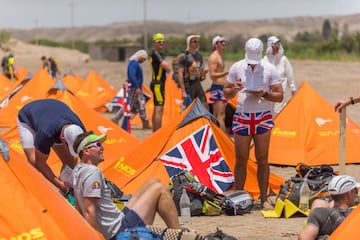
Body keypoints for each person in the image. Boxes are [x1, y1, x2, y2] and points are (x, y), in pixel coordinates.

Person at [72, 131, 181, 240]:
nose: (102, 148)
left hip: (118, 221)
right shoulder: (92, 172)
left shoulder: (77, 170)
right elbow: (89, 210)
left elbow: (78, 207)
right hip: (119, 231)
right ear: (86, 150)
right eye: (98, 145)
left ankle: (177, 232)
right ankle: (178, 233)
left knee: (153, 182)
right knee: (160, 189)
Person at [223, 37, 283, 210]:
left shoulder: (270, 69)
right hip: (242, 115)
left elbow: (279, 95)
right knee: (240, 159)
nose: (253, 63)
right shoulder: (236, 67)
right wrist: (233, 89)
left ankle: (264, 199)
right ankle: (239, 198)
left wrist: (264, 94)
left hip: (262, 115)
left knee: (262, 159)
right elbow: (225, 93)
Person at [17, 99, 85, 193]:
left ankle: (64, 194)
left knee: (71, 161)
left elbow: (87, 156)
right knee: (34, 163)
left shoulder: (80, 129)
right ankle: (36, 194)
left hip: (50, 112)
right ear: (62, 138)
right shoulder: (46, 133)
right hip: (27, 118)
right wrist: (59, 185)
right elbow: (40, 162)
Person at [299, 175, 359, 240]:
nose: (356, 195)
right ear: (349, 194)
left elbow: (305, 237)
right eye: (355, 191)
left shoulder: (319, 213)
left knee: (319, 203)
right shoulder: (355, 216)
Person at [112, 49, 151, 129]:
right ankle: (116, 118)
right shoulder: (134, 63)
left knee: (141, 104)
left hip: (136, 87)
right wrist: (137, 86)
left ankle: (145, 121)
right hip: (134, 88)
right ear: (141, 57)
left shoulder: (134, 63)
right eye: (143, 59)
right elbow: (132, 75)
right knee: (129, 104)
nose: (143, 61)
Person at [263, 36, 296, 115]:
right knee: (268, 112)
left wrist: (293, 88)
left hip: (281, 91)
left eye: (278, 44)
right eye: (275, 44)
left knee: (278, 111)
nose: (277, 46)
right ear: (270, 45)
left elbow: (289, 74)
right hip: (268, 92)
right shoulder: (265, 59)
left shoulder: (283, 59)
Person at [177, 34, 208, 110]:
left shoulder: (199, 56)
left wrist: (204, 72)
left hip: (197, 83)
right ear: (189, 43)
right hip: (188, 85)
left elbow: (201, 72)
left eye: (198, 41)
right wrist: (183, 91)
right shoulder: (184, 56)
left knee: (205, 105)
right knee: (188, 109)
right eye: (194, 41)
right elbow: (180, 74)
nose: (197, 43)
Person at [150, 33, 172, 132]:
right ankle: (158, 132)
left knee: (156, 108)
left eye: (163, 42)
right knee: (159, 109)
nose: (161, 44)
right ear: (154, 43)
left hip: (158, 83)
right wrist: (170, 66)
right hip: (158, 83)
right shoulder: (156, 54)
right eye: (159, 42)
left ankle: (155, 131)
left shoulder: (159, 54)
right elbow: (167, 68)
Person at [208, 35, 229, 131]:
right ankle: (223, 140)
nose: (224, 44)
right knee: (219, 116)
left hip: (221, 88)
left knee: (220, 116)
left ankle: (220, 139)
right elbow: (212, 75)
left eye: (224, 41)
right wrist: (224, 73)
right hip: (217, 88)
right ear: (216, 44)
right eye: (221, 42)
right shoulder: (214, 57)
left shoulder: (219, 56)